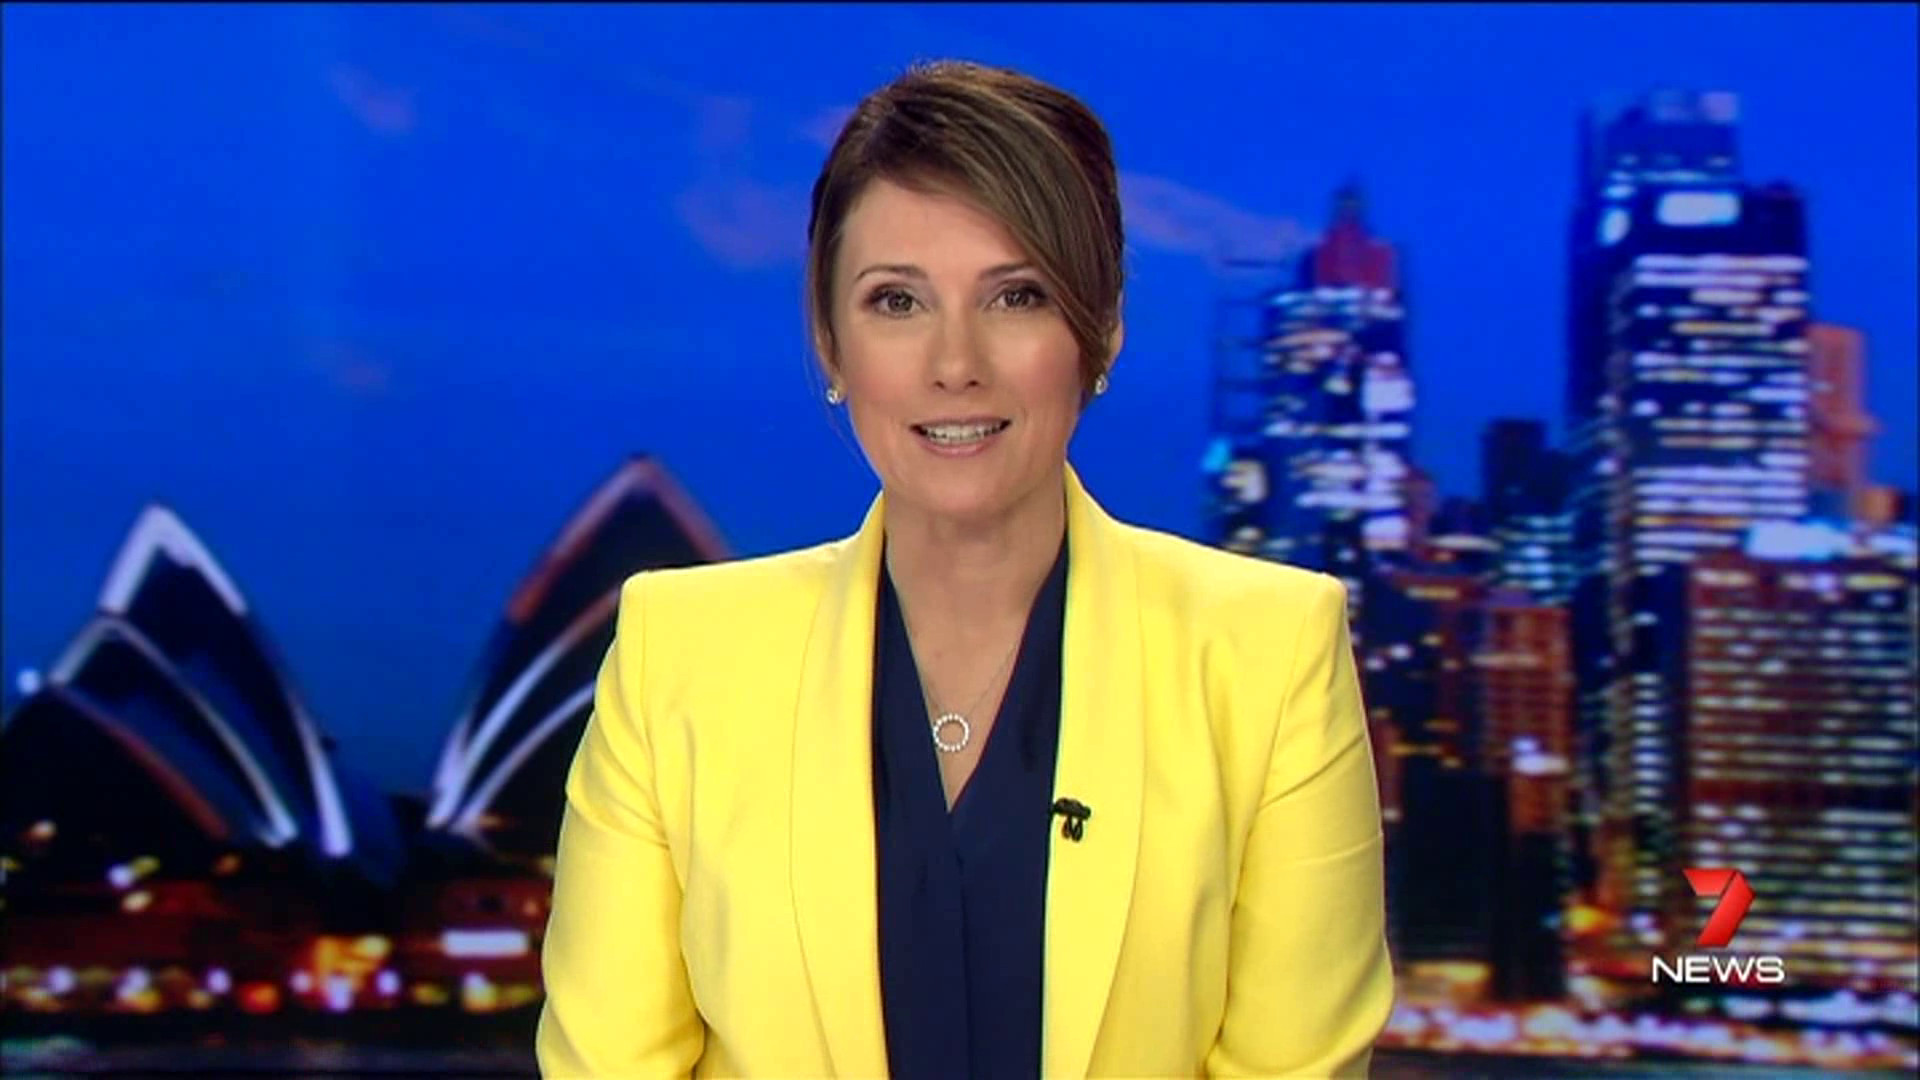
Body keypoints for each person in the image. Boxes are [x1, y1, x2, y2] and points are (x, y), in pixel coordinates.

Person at [535, 59, 1393, 1078]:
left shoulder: (1268, 656)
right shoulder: (678, 658)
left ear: (1102, 331)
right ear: (830, 343)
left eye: (1016, 296)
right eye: (897, 301)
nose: (955, 365)